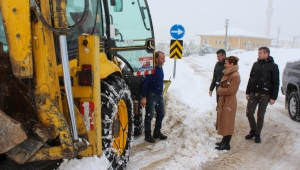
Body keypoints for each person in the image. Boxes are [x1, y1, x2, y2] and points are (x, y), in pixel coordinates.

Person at [244, 47, 279, 143]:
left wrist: (273, 97)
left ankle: (258, 134)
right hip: (254, 93)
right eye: (258, 53)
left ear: (266, 53)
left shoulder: (273, 66)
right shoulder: (255, 64)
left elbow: (276, 82)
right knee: (249, 113)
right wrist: (248, 91)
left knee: (260, 115)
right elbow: (251, 78)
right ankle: (253, 130)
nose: (258, 54)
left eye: (260, 53)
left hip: (265, 94)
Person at [141, 51, 167, 143]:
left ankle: (157, 132)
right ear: (156, 59)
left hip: (159, 95)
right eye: (162, 58)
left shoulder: (160, 68)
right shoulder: (151, 69)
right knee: (149, 116)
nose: (164, 60)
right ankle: (147, 135)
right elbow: (145, 83)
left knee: (161, 114)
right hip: (151, 95)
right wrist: (144, 97)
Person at [215, 56, 240, 150]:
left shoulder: (235, 76)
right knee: (224, 121)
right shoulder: (229, 73)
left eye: (226, 63)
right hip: (225, 100)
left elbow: (231, 90)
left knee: (228, 122)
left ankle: (227, 144)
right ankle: (224, 140)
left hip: (229, 101)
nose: (224, 64)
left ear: (232, 64)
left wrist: (220, 90)